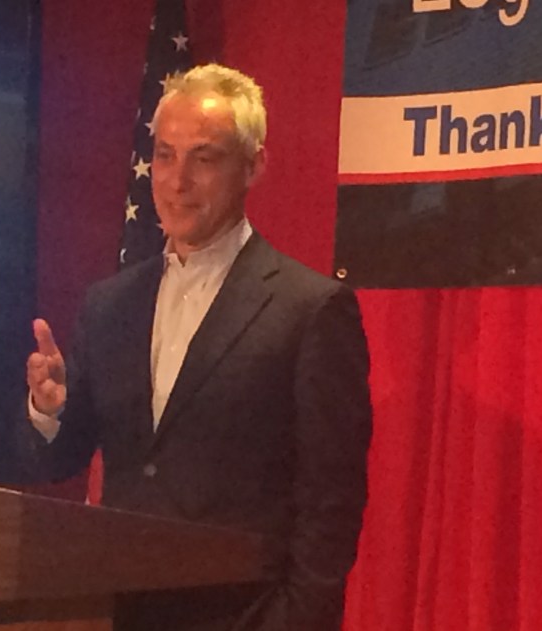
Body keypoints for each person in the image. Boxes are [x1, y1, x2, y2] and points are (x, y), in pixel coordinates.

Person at [23, 63, 372, 631]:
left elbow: (331, 503)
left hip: (244, 617)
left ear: (253, 166)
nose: (176, 180)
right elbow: (61, 459)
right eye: (165, 155)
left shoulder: (310, 310)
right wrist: (50, 412)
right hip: (113, 613)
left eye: (203, 158)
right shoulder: (108, 306)